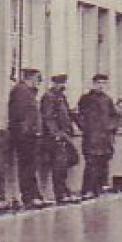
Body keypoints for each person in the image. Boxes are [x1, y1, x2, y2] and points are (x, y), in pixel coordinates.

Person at [7, 68, 46, 207]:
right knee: (27, 167)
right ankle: (29, 197)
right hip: (25, 136)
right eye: (37, 79)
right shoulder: (21, 91)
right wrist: (26, 131)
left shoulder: (28, 92)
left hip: (30, 135)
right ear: (31, 78)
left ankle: (34, 195)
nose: (38, 83)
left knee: (30, 167)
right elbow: (20, 114)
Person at [76, 73, 119, 199]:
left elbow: (114, 116)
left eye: (103, 83)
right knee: (91, 164)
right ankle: (87, 190)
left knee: (102, 163)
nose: (101, 86)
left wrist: (110, 128)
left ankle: (97, 189)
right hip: (91, 137)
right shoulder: (86, 99)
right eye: (98, 83)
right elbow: (78, 114)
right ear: (93, 84)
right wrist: (84, 127)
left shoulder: (107, 100)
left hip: (104, 138)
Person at [40, 74, 80, 204]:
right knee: (59, 165)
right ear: (54, 84)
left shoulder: (61, 98)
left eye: (63, 83)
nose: (62, 86)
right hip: (56, 137)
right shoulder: (49, 97)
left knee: (67, 162)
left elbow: (66, 114)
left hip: (64, 135)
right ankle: (60, 194)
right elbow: (48, 117)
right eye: (60, 83)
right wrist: (56, 134)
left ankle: (64, 190)